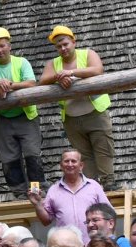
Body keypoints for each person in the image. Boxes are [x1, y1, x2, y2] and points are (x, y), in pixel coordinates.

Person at [39, 25, 115, 186]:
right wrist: (59, 77)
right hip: (72, 118)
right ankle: (91, 186)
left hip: (95, 112)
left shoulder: (88, 54)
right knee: (84, 155)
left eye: (65, 44)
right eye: (59, 46)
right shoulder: (54, 63)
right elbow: (43, 80)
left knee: (103, 149)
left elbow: (97, 70)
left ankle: (109, 183)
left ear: (73, 41)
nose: (63, 48)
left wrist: (71, 73)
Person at [0, 27, 43, 197]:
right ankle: (19, 193)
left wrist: (9, 85)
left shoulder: (21, 62)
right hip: (2, 119)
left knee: (32, 155)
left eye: (2, 46)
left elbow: (31, 83)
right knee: (9, 159)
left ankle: (37, 190)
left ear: (9, 46)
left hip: (25, 116)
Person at [29, 150, 110, 244]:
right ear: (61, 165)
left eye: (74, 161)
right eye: (66, 161)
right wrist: (37, 204)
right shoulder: (53, 190)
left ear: (81, 165)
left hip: (93, 245)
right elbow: (46, 221)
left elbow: (108, 213)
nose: (70, 164)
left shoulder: (94, 186)